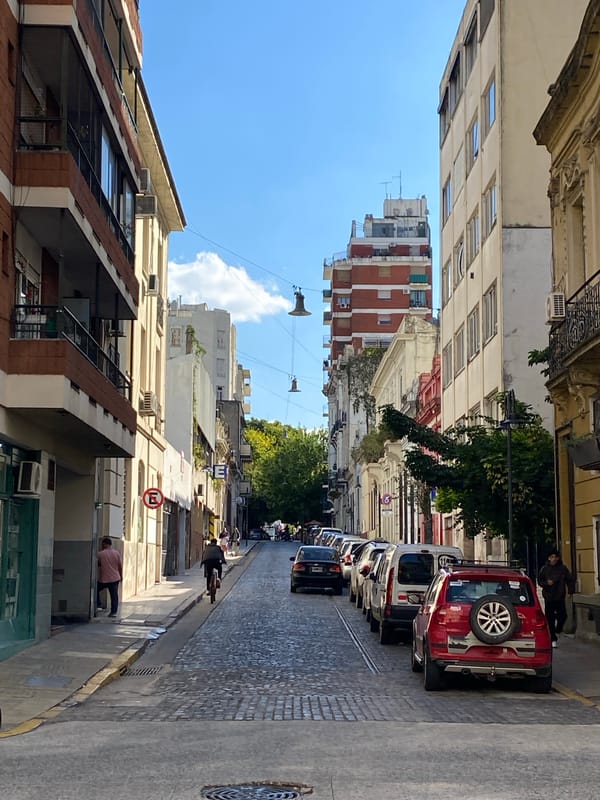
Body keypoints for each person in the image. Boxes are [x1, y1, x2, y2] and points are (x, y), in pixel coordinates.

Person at [538, 549, 575, 648]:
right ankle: (553, 639)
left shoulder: (563, 568)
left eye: (555, 557)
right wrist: (546, 583)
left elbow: (569, 579)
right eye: (552, 557)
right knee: (550, 618)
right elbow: (540, 581)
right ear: (549, 558)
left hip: (560, 596)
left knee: (563, 615)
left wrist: (571, 591)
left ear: (558, 558)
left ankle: (558, 630)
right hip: (549, 597)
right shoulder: (544, 569)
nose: (553, 559)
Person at [97, 537, 123, 618]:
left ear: (104, 544)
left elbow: (98, 564)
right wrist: (121, 576)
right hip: (115, 578)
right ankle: (113, 612)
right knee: (114, 596)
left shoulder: (100, 554)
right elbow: (120, 566)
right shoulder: (117, 553)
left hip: (104, 579)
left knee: (95, 590)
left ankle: (98, 604)